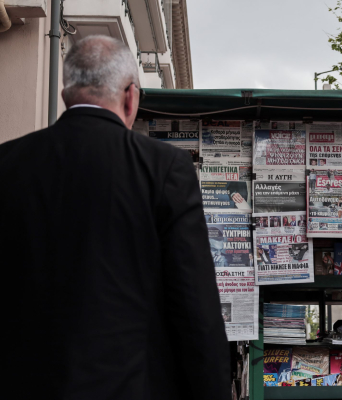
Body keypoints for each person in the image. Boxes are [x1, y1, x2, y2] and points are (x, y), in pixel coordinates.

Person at [0, 36, 230, 399]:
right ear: (130, 96)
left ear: (65, 95)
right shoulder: (164, 168)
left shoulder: (8, 163)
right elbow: (195, 310)